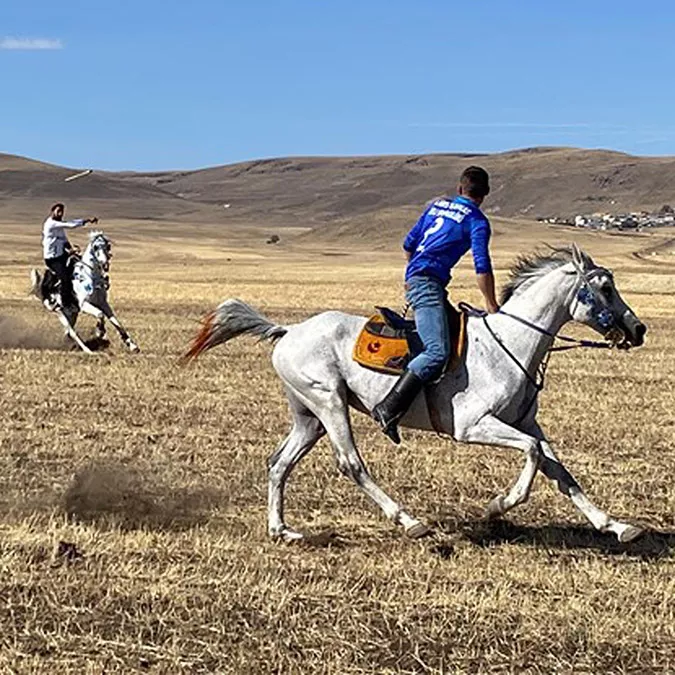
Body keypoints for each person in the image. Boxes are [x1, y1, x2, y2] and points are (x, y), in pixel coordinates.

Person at [372, 166, 499, 444]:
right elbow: (482, 267)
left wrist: (412, 273)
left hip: (426, 282)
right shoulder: (477, 221)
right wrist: (492, 305)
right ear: (485, 194)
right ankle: (388, 408)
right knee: (438, 352)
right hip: (427, 284)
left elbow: (408, 245)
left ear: (459, 188)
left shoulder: (436, 207)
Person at [41, 203, 97, 309]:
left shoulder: (59, 226)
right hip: (52, 259)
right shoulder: (51, 224)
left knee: (80, 267)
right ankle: (64, 302)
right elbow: (70, 225)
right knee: (65, 278)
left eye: (62, 211)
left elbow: (64, 240)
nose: (60, 213)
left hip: (61, 254)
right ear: (52, 211)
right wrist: (87, 220)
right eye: (58, 211)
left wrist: (70, 249)